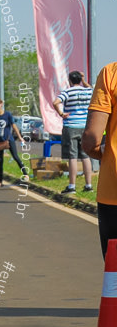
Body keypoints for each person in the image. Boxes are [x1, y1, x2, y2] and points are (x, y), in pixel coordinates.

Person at [85, 61, 117, 258]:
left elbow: (91, 140)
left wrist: (102, 153)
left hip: (113, 191)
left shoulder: (111, 73)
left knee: (115, 274)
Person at [53, 70, 94, 194]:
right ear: (80, 80)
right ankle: (88, 185)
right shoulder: (87, 91)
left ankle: (72, 186)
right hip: (84, 126)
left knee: (72, 156)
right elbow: (90, 87)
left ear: (69, 80)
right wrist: (84, 80)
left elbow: (56, 102)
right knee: (85, 156)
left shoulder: (67, 92)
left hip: (71, 126)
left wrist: (61, 114)